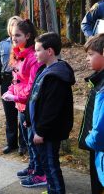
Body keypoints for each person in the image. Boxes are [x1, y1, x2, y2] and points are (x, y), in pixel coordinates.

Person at [27, 32, 75, 193]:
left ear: (49, 51)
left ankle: (56, 190)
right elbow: (34, 97)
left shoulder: (56, 76)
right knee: (47, 164)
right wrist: (28, 118)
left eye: (38, 50)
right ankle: (51, 189)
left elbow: (51, 109)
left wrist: (40, 131)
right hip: (42, 128)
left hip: (49, 132)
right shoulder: (44, 70)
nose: (35, 54)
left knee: (50, 164)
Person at [2, 19, 45, 187]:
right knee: (27, 141)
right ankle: (33, 167)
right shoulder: (17, 54)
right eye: (13, 35)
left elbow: (33, 86)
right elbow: (17, 80)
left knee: (33, 141)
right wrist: (10, 92)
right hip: (21, 106)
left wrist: (16, 97)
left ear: (28, 36)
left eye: (18, 35)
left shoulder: (32, 57)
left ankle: (40, 174)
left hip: (30, 107)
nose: (14, 38)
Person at [0, 15, 26, 155]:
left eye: (17, 24)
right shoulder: (2, 44)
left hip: (21, 81)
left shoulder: (26, 44)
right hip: (6, 81)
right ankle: (11, 143)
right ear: (9, 28)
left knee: (22, 113)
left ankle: (24, 144)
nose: (14, 27)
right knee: (9, 115)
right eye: (12, 24)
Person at [79, 33, 104, 194]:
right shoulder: (97, 80)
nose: (87, 59)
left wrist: (90, 139)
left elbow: (100, 128)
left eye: (91, 55)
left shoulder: (102, 87)